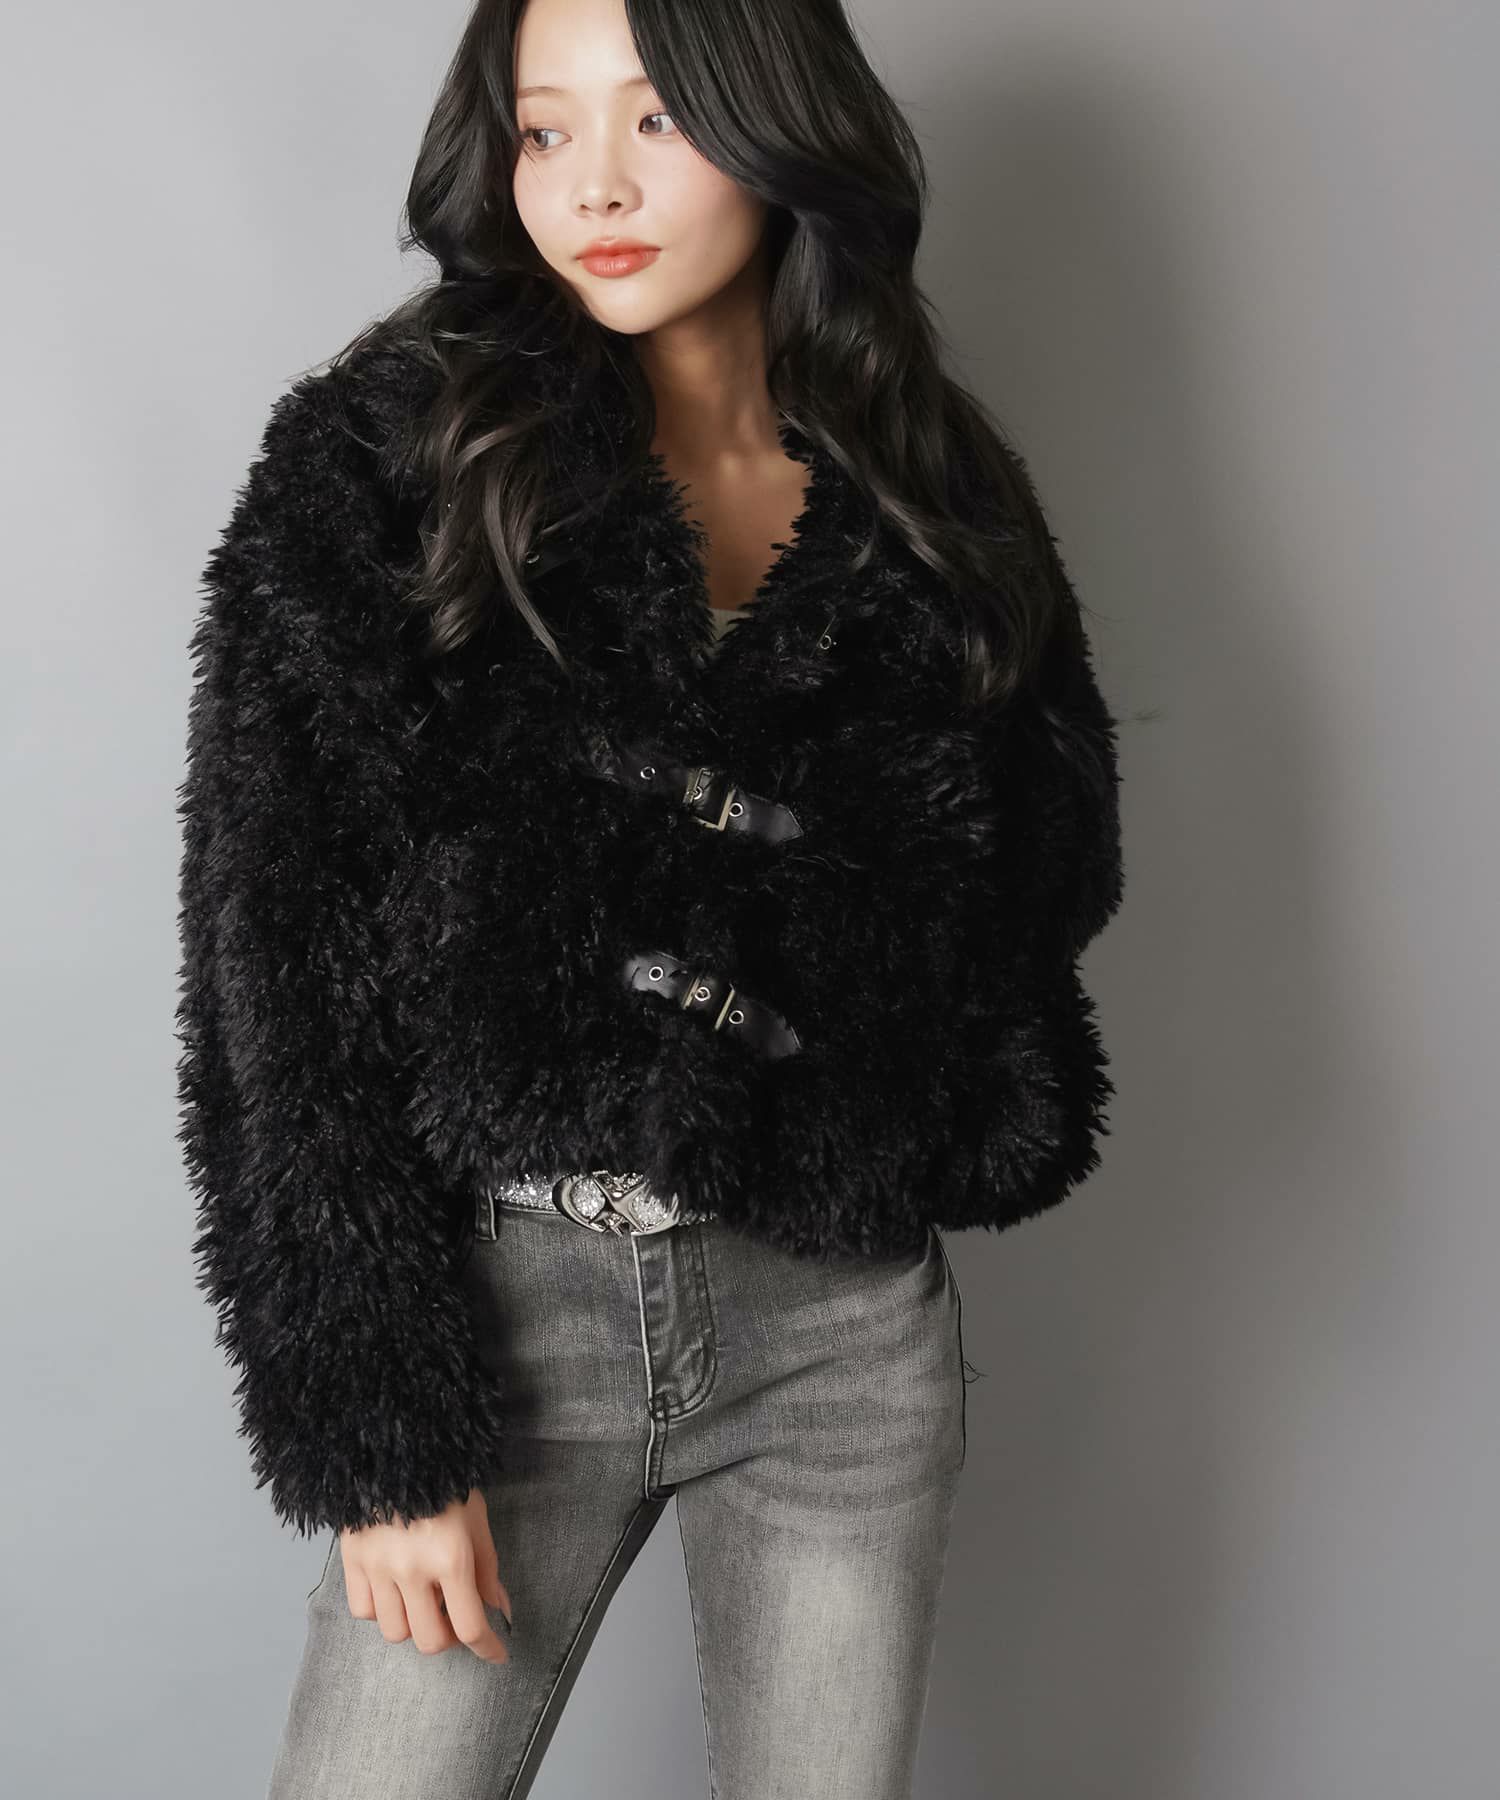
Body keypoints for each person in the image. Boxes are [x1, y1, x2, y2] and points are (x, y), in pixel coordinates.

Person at [175, 0, 1126, 1794]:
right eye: (544, 130)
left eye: (659, 121)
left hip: (839, 1334)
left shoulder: (929, 493)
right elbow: (271, 963)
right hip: (503, 1312)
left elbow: (1045, 868)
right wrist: (375, 1420)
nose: (591, 185)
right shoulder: (390, 457)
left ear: (778, 127)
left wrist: (887, 1085)